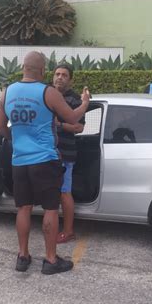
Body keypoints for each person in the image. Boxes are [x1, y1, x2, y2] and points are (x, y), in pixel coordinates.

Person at [0, 51, 90, 275]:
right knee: (49, 208)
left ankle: (23, 256)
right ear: (43, 71)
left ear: (23, 68)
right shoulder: (47, 92)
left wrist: (16, 140)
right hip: (45, 160)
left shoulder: (7, 92)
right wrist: (85, 103)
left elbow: (0, 128)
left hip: (19, 161)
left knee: (23, 208)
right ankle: (50, 260)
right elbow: (73, 118)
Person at [53, 63, 85, 244]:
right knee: (51, 192)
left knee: (64, 192)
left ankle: (68, 230)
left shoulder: (75, 100)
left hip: (65, 154)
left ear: (70, 79)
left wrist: (59, 124)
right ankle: (51, 226)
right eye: (57, 74)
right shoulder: (47, 95)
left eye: (64, 75)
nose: (60, 77)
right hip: (47, 153)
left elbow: (78, 127)